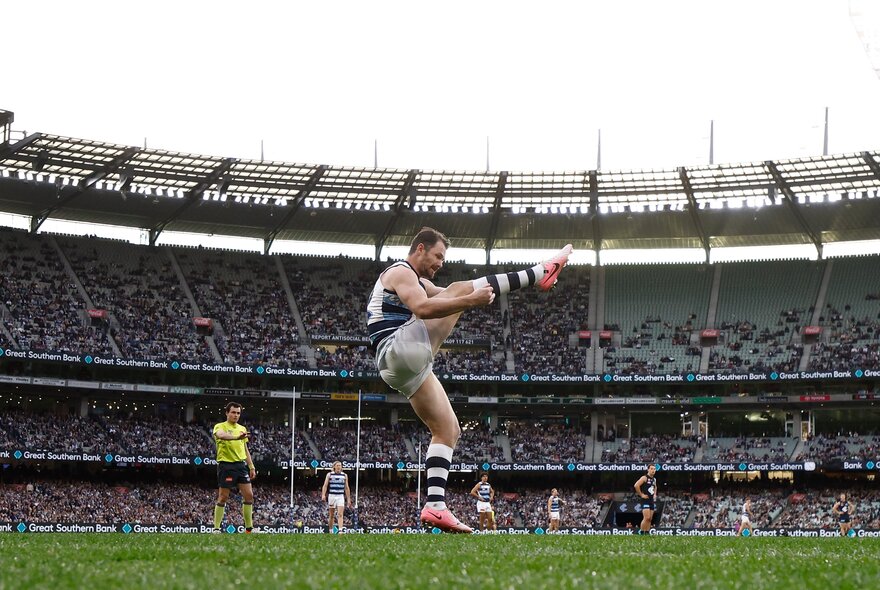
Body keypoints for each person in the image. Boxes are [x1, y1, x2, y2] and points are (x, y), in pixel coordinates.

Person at [367, 227, 572, 533]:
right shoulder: (401, 272)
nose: (440, 263)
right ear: (420, 248)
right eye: (438, 256)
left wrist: (465, 296)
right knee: (462, 289)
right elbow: (423, 309)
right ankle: (541, 271)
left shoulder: (418, 281)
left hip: (401, 366)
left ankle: (435, 507)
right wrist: (471, 301)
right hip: (399, 348)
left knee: (448, 429)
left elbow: (442, 295)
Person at [211, 402, 256, 533]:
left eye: (238, 413)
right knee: (223, 497)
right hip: (226, 465)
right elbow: (221, 435)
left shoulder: (242, 428)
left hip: (241, 466)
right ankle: (216, 528)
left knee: (249, 496)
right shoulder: (220, 426)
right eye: (233, 412)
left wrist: (251, 466)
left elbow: (245, 449)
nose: (236, 415)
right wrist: (236, 437)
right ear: (227, 413)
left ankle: (249, 529)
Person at [321, 461, 352, 533]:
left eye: (340, 465)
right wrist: (323, 494)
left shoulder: (344, 475)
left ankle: (340, 531)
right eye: (337, 465)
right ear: (334, 466)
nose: (339, 467)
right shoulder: (329, 475)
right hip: (332, 495)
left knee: (340, 514)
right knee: (331, 515)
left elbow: (346, 488)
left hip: (340, 496)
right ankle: (330, 530)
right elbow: (325, 485)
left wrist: (348, 499)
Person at [633, 464, 657, 535]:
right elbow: (636, 485)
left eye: (654, 469)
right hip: (645, 500)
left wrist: (655, 494)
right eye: (652, 469)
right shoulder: (644, 478)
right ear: (648, 469)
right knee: (647, 517)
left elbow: (655, 487)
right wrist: (641, 495)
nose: (653, 470)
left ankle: (647, 532)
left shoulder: (654, 479)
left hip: (651, 500)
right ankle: (641, 531)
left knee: (650, 519)